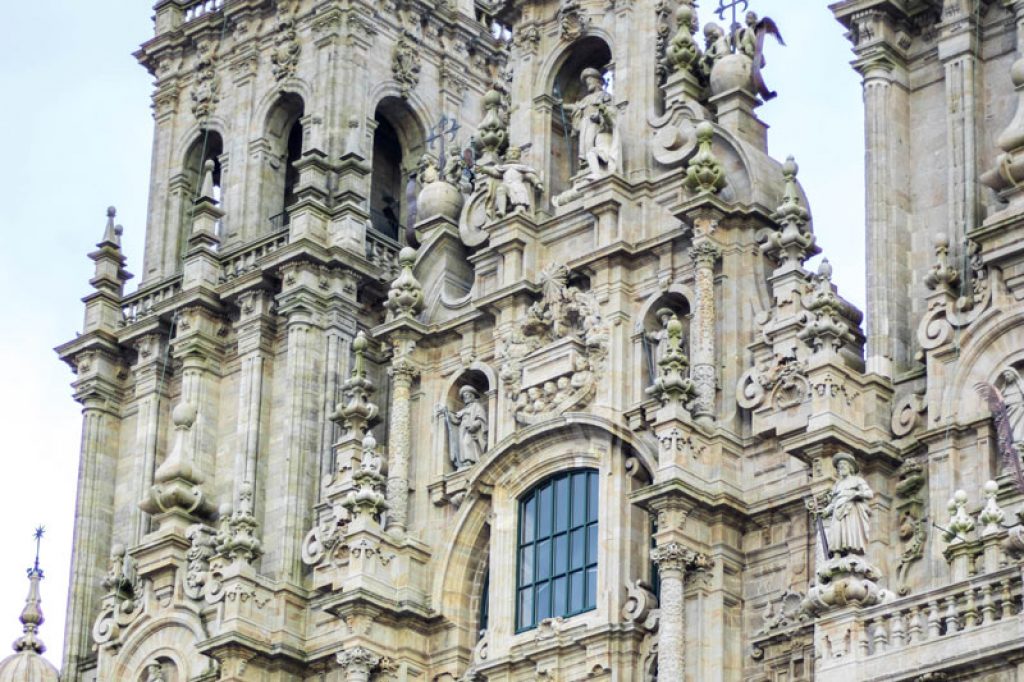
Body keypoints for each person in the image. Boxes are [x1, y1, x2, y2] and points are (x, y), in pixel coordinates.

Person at [562, 68, 619, 177]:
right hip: (585, 124)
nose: (588, 84)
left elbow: (609, 111)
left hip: (596, 124)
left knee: (592, 145)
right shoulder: (586, 99)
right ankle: (587, 165)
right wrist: (561, 105)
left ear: (598, 81)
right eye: (587, 82)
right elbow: (576, 107)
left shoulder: (605, 95)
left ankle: (596, 166)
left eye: (590, 81)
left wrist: (600, 114)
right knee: (585, 145)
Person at [823, 452, 874, 557]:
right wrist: (826, 511)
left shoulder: (857, 480)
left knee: (850, 531)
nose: (841, 467)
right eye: (839, 466)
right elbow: (834, 502)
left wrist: (856, 494)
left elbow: (869, 494)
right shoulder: (837, 484)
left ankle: (852, 552)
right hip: (838, 510)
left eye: (844, 465)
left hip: (851, 509)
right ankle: (836, 555)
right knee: (836, 532)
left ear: (850, 467)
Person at [477, 146, 544, 219]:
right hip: (507, 185)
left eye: (515, 152)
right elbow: (494, 172)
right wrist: (485, 169)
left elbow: (531, 176)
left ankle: (520, 209)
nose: (513, 154)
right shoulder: (503, 168)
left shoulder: (522, 168)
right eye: (511, 152)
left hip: (518, 186)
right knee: (501, 189)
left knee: (519, 202)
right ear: (506, 155)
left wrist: (538, 184)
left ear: (519, 155)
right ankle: (502, 211)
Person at [448, 386, 488, 469]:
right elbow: (456, 419)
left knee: (467, 442)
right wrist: (446, 412)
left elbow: (481, 418)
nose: (466, 397)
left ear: (472, 396)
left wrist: (474, 426)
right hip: (463, 429)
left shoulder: (476, 406)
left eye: (468, 395)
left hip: (471, 429)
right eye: (464, 396)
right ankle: (466, 461)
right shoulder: (464, 409)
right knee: (463, 444)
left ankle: (471, 460)